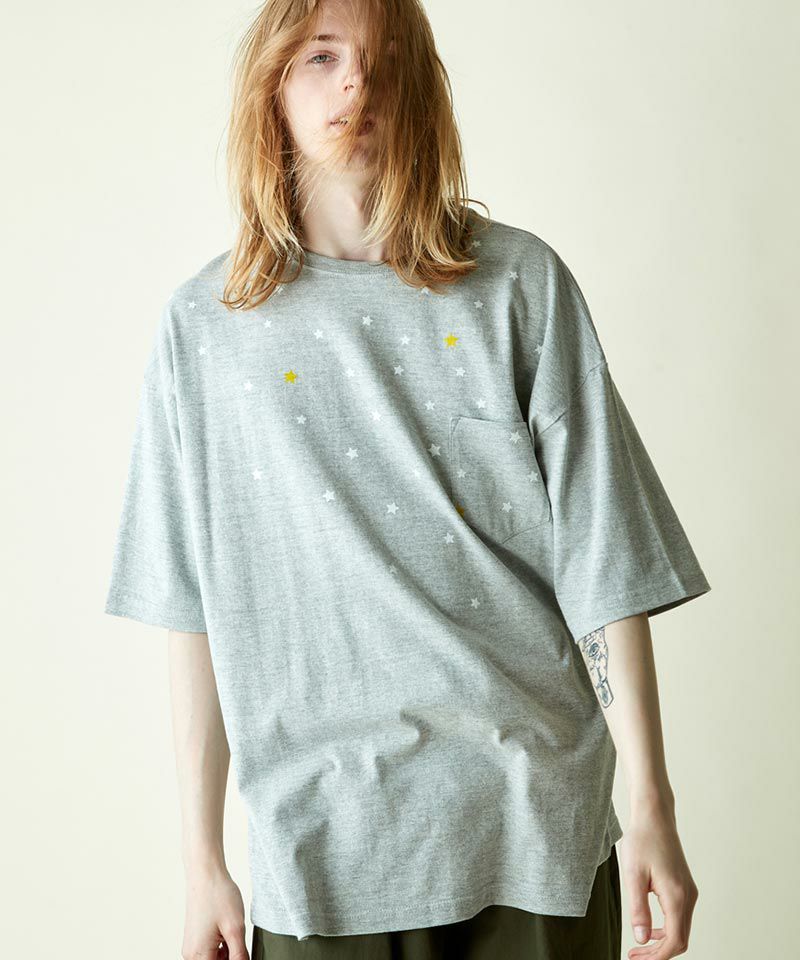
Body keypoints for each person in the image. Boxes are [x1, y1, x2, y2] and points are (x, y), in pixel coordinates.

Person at [104, 1, 711, 958]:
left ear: (422, 87)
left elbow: (604, 562)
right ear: (271, 87)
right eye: (322, 56)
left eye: (385, 59)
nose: (358, 81)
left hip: (533, 829)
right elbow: (194, 612)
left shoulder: (518, 284)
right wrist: (201, 861)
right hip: (320, 854)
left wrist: (651, 808)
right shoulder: (205, 332)